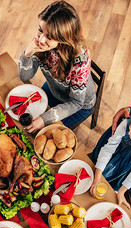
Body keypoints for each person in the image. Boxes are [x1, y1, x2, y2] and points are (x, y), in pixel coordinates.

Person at [18, 0, 96, 132]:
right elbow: (24, 76)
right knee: (25, 116)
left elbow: (76, 103)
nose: (41, 39)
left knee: (43, 132)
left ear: (63, 38)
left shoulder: (80, 60)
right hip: (54, 89)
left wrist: (44, 119)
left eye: (49, 37)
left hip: (78, 105)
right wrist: (27, 53)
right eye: (39, 30)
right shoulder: (41, 40)